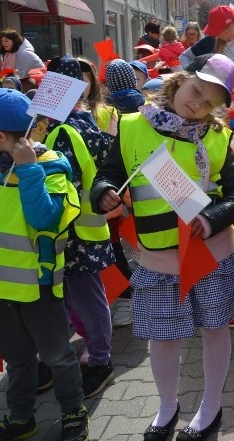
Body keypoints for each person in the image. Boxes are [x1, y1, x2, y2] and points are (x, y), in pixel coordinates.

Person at [90, 53, 234, 441]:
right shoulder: (131, 127)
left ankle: (210, 406)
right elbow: (109, 174)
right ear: (180, 80)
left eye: (210, 103)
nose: (197, 105)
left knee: (215, 329)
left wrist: (213, 218)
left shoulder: (217, 136)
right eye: (195, 92)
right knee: (163, 337)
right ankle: (166, 406)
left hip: (209, 253)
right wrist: (103, 193)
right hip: (159, 258)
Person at [0, 88, 90, 441]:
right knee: (18, 360)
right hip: (4, 289)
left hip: (39, 286)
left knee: (58, 357)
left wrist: (28, 169)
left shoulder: (51, 166)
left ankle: (73, 412)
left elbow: (46, 219)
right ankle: (22, 418)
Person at [42, 56, 117, 399]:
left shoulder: (68, 129)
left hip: (77, 234)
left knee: (86, 298)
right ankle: (77, 355)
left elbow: (62, 183)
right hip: (69, 233)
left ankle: (100, 360)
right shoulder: (67, 124)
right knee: (72, 296)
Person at [179, 5, 234, 73]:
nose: (216, 35)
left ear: (232, 24)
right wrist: (191, 74)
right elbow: (184, 56)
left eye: (218, 30)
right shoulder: (211, 39)